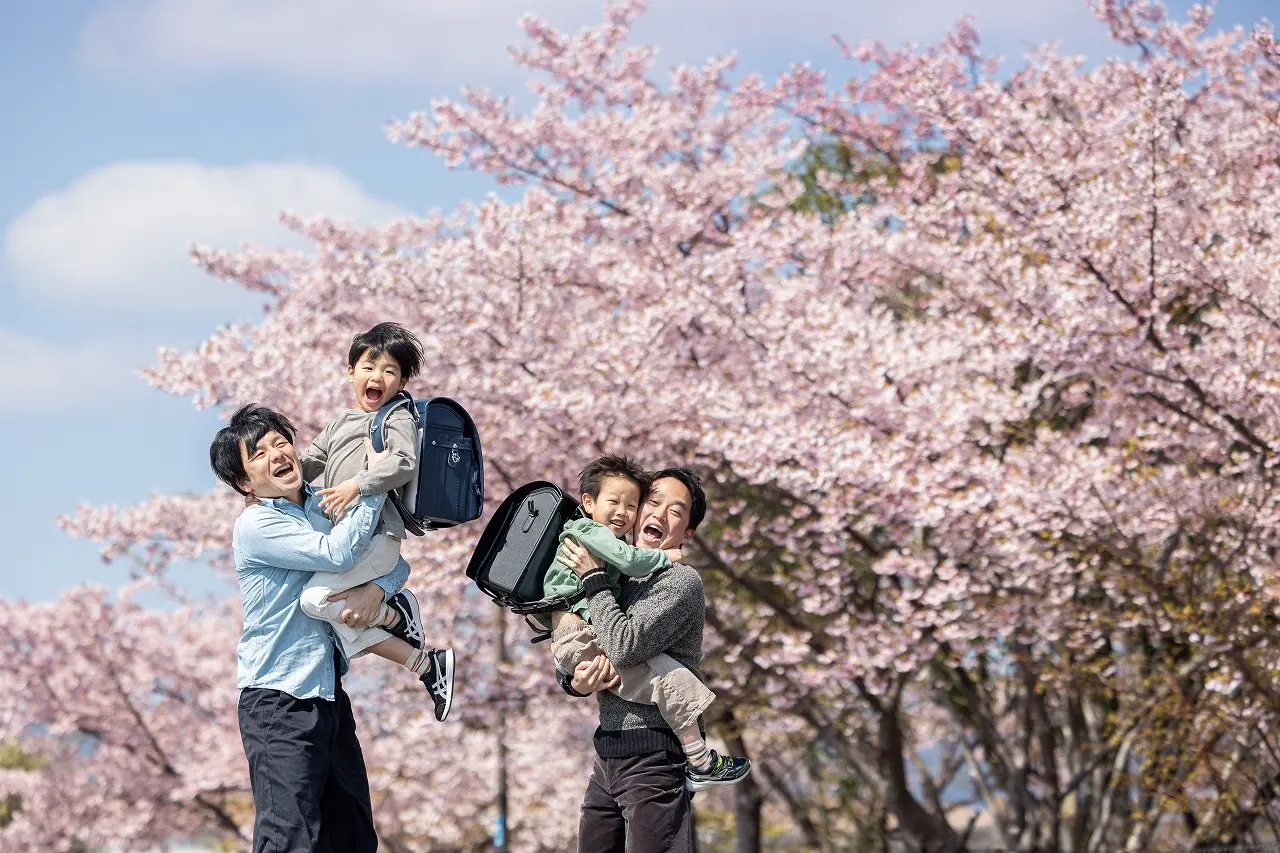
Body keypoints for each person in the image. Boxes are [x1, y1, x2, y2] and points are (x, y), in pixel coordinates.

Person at [210, 404, 447, 853]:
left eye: (281, 442)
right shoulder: (256, 524)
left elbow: (397, 565)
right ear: (245, 482)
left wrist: (376, 591)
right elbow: (337, 554)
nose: (277, 454)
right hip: (277, 700)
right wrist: (374, 483)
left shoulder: (326, 503)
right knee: (290, 838)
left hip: (328, 695)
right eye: (258, 453)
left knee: (354, 837)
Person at [556, 468, 749, 853]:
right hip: (607, 753)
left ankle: (701, 760)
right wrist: (576, 681)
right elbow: (581, 640)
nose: (659, 514)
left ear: (687, 534)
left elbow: (624, 645)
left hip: (654, 758)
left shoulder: (679, 581)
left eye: (675, 511)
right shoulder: (617, 576)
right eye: (653, 503)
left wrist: (592, 578)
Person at [297, 321, 455, 722]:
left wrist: (358, 484)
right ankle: (424, 664)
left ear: (402, 381)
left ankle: (396, 612)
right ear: (350, 372)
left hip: (378, 536)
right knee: (344, 625)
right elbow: (308, 466)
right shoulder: (338, 424)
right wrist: (262, 489)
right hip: (347, 538)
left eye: (390, 371)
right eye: (370, 366)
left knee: (315, 602)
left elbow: (403, 462)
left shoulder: (394, 417)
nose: (378, 377)